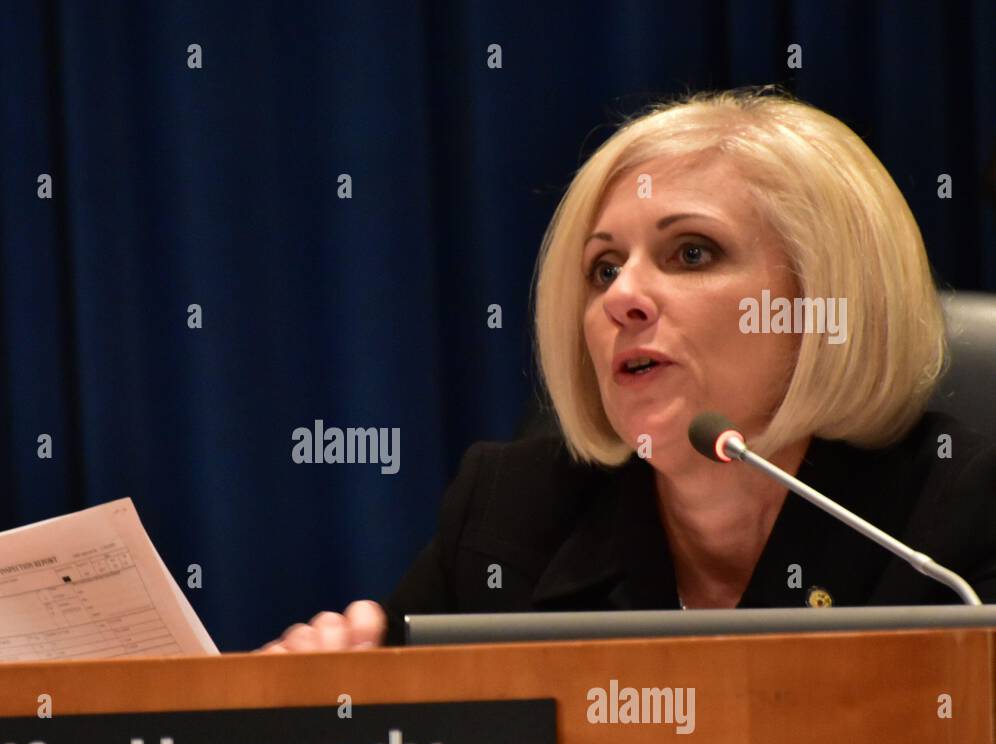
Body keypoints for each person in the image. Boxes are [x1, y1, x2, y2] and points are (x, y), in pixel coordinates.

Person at [261, 89, 996, 654]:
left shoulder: (958, 526)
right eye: (604, 267)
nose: (622, 298)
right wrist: (332, 705)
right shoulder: (510, 517)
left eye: (692, 254)